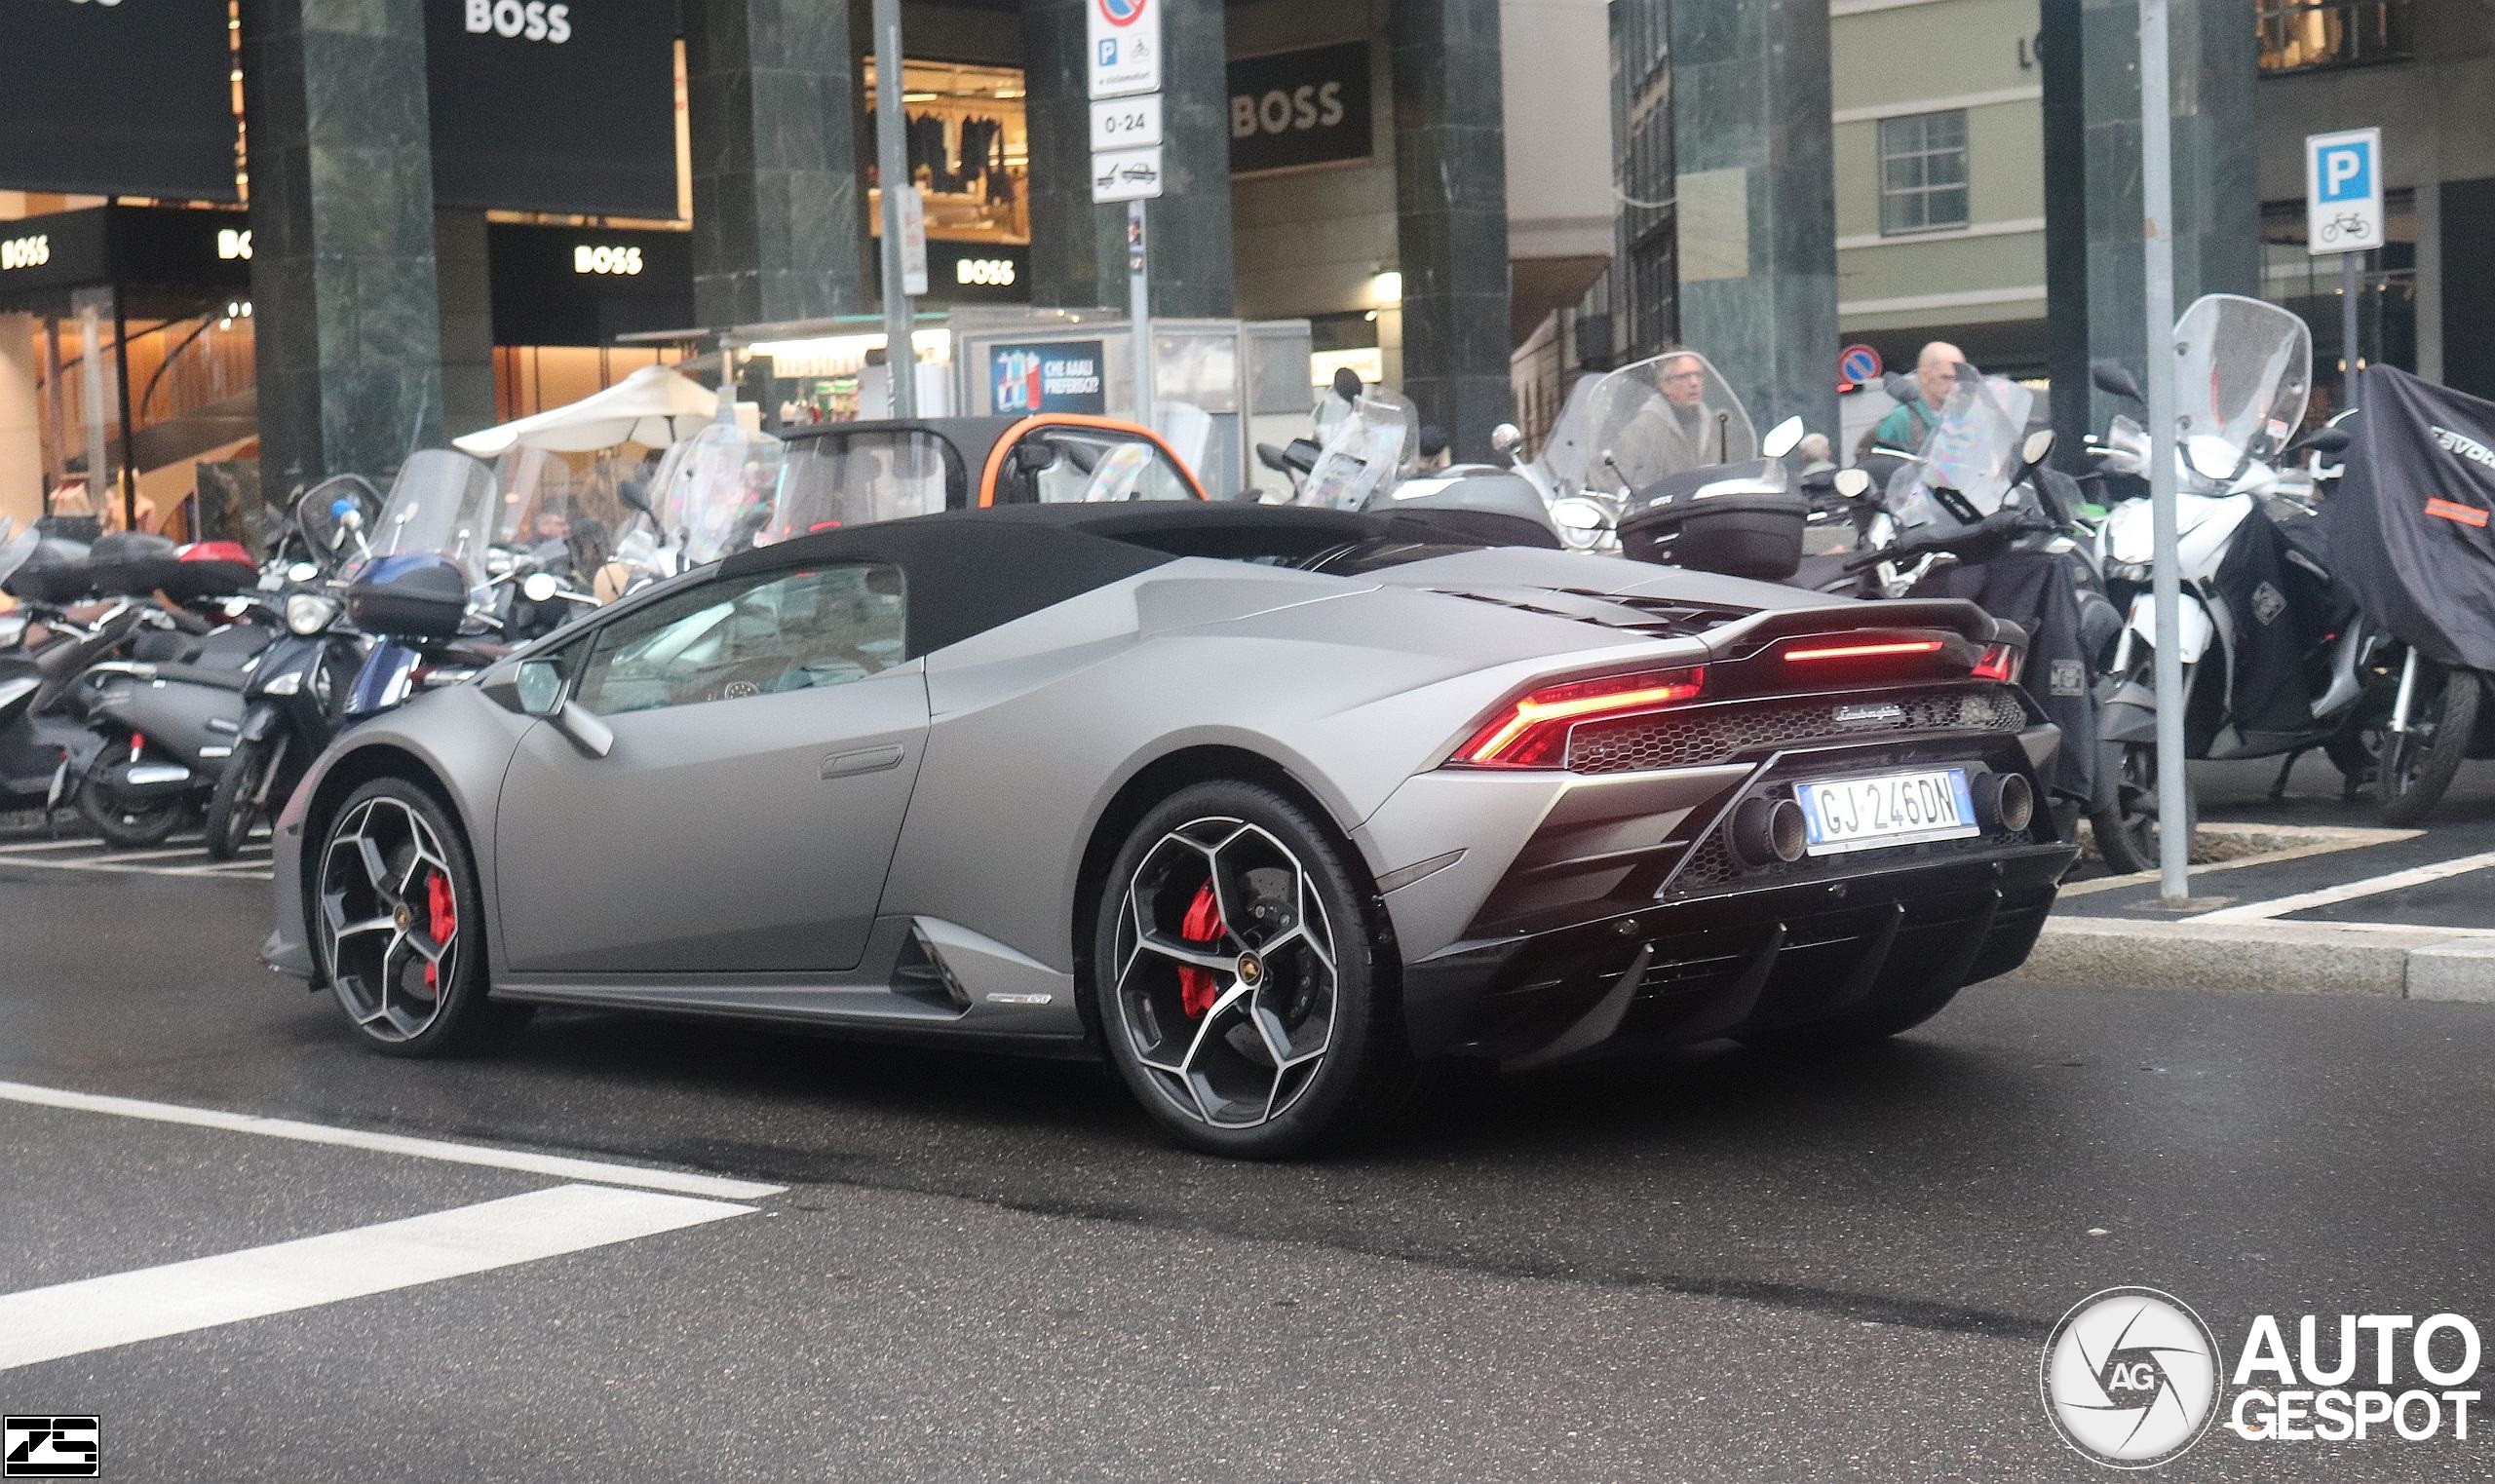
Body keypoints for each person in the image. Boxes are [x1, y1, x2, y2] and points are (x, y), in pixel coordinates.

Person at [1613, 350, 1731, 485]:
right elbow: (1620, 480)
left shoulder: (1717, 423)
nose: (1694, 382)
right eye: (1684, 376)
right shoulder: (1643, 428)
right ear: (1664, 385)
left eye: (1698, 375)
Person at [1873, 341, 1967, 453]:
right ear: (1924, 376)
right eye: (1946, 378)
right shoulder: (1901, 419)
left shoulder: (1966, 419)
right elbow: (1881, 465)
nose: (1955, 386)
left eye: (1958, 379)